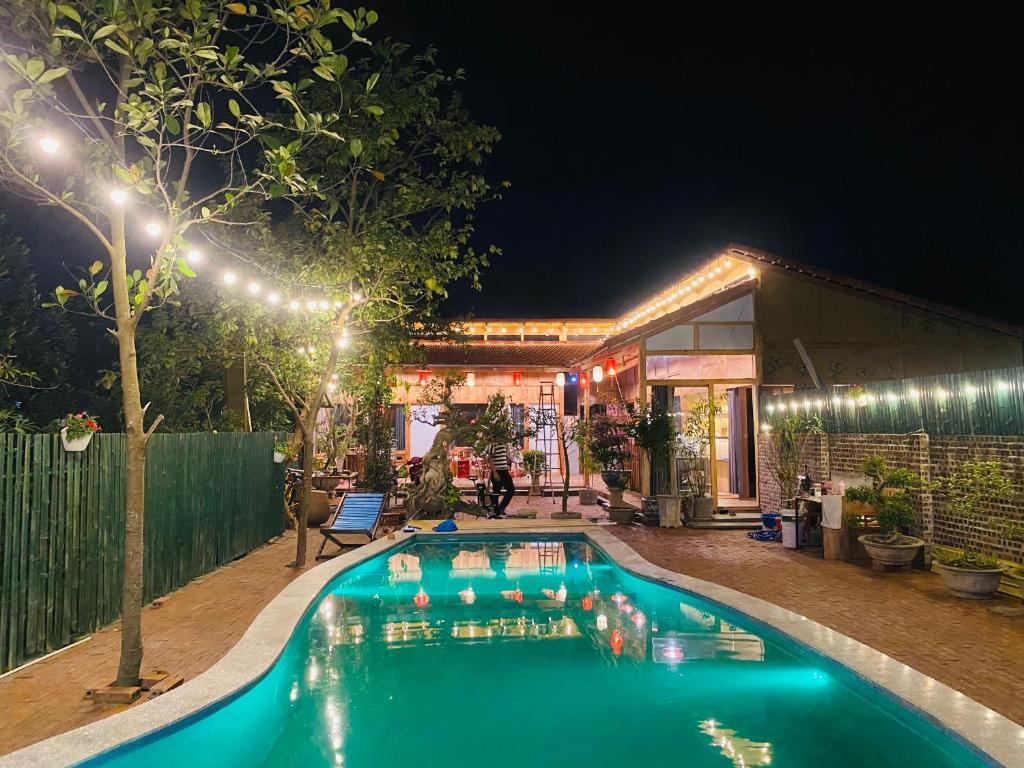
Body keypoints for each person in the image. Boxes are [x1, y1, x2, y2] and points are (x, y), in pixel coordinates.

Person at [485, 440, 516, 517]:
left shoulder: (504, 443)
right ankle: (496, 512)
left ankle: (501, 508)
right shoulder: (492, 444)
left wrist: (512, 460)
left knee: (511, 490)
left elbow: (504, 454)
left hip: (504, 471)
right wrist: (495, 473)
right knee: (496, 492)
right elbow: (490, 459)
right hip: (497, 471)